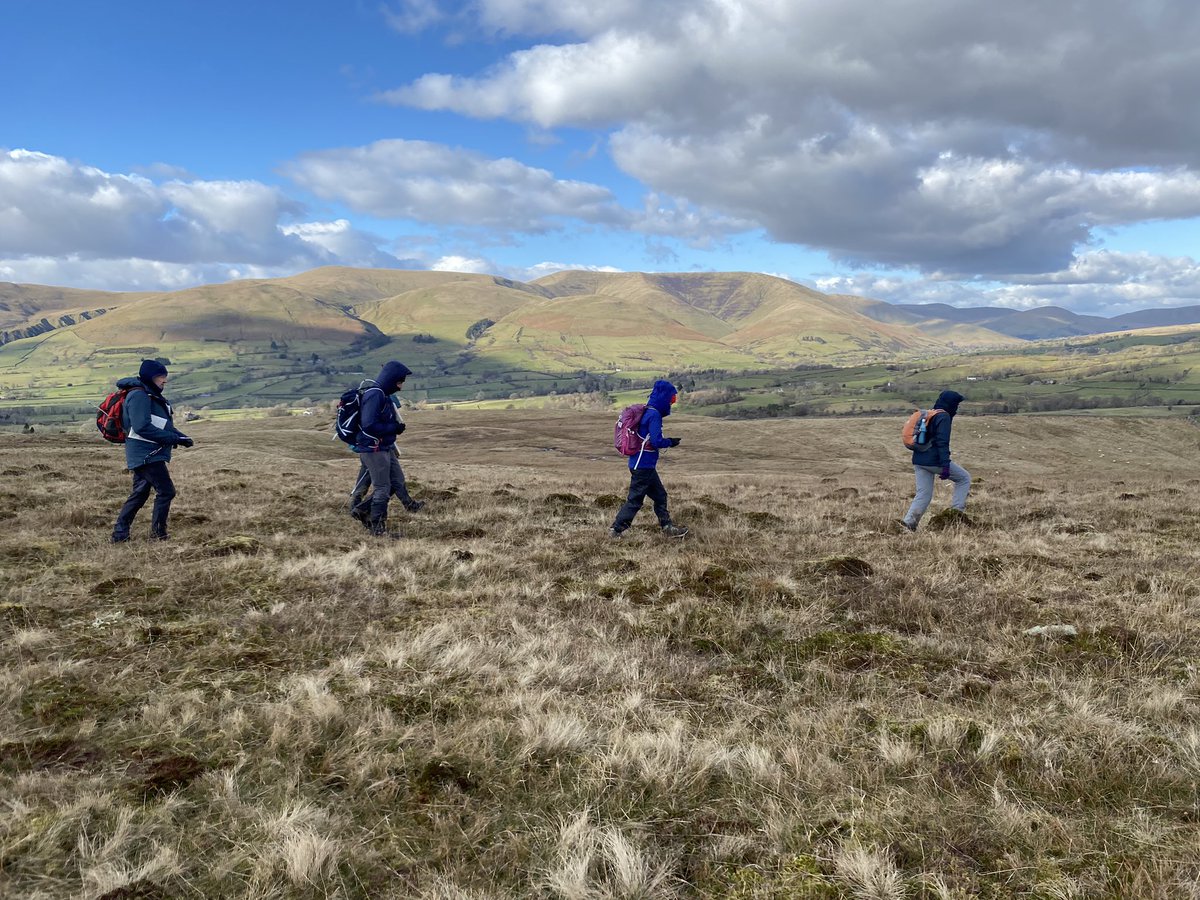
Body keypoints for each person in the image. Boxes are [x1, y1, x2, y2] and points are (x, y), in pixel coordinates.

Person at [111, 359, 193, 543]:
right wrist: (172, 439)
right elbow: (142, 427)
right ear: (150, 377)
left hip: (147, 453)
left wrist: (181, 437)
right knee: (166, 491)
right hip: (146, 455)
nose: (164, 381)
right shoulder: (139, 396)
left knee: (139, 494)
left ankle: (120, 534)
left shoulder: (149, 394)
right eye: (160, 377)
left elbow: (162, 424)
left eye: (165, 377)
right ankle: (158, 534)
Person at [609, 379, 689, 539]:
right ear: (665, 398)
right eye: (672, 399)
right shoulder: (654, 415)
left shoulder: (648, 411)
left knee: (660, 496)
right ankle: (616, 530)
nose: (672, 403)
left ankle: (667, 527)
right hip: (643, 465)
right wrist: (670, 442)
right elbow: (656, 441)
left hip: (643, 465)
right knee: (635, 500)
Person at [355, 360, 421, 537]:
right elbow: (369, 425)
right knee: (382, 488)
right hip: (374, 449)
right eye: (399, 383)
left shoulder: (381, 394)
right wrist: (393, 428)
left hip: (384, 447)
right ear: (391, 379)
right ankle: (377, 527)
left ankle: (362, 510)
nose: (400, 387)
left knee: (395, 482)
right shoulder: (375, 395)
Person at [900, 389, 970, 532]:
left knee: (923, 494)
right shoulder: (943, 417)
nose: (957, 408)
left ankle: (908, 525)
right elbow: (942, 443)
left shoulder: (931, 414)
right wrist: (945, 465)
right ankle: (955, 516)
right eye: (956, 404)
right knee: (964, 478)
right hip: (933, 461)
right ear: (952, 404)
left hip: (919, 460)